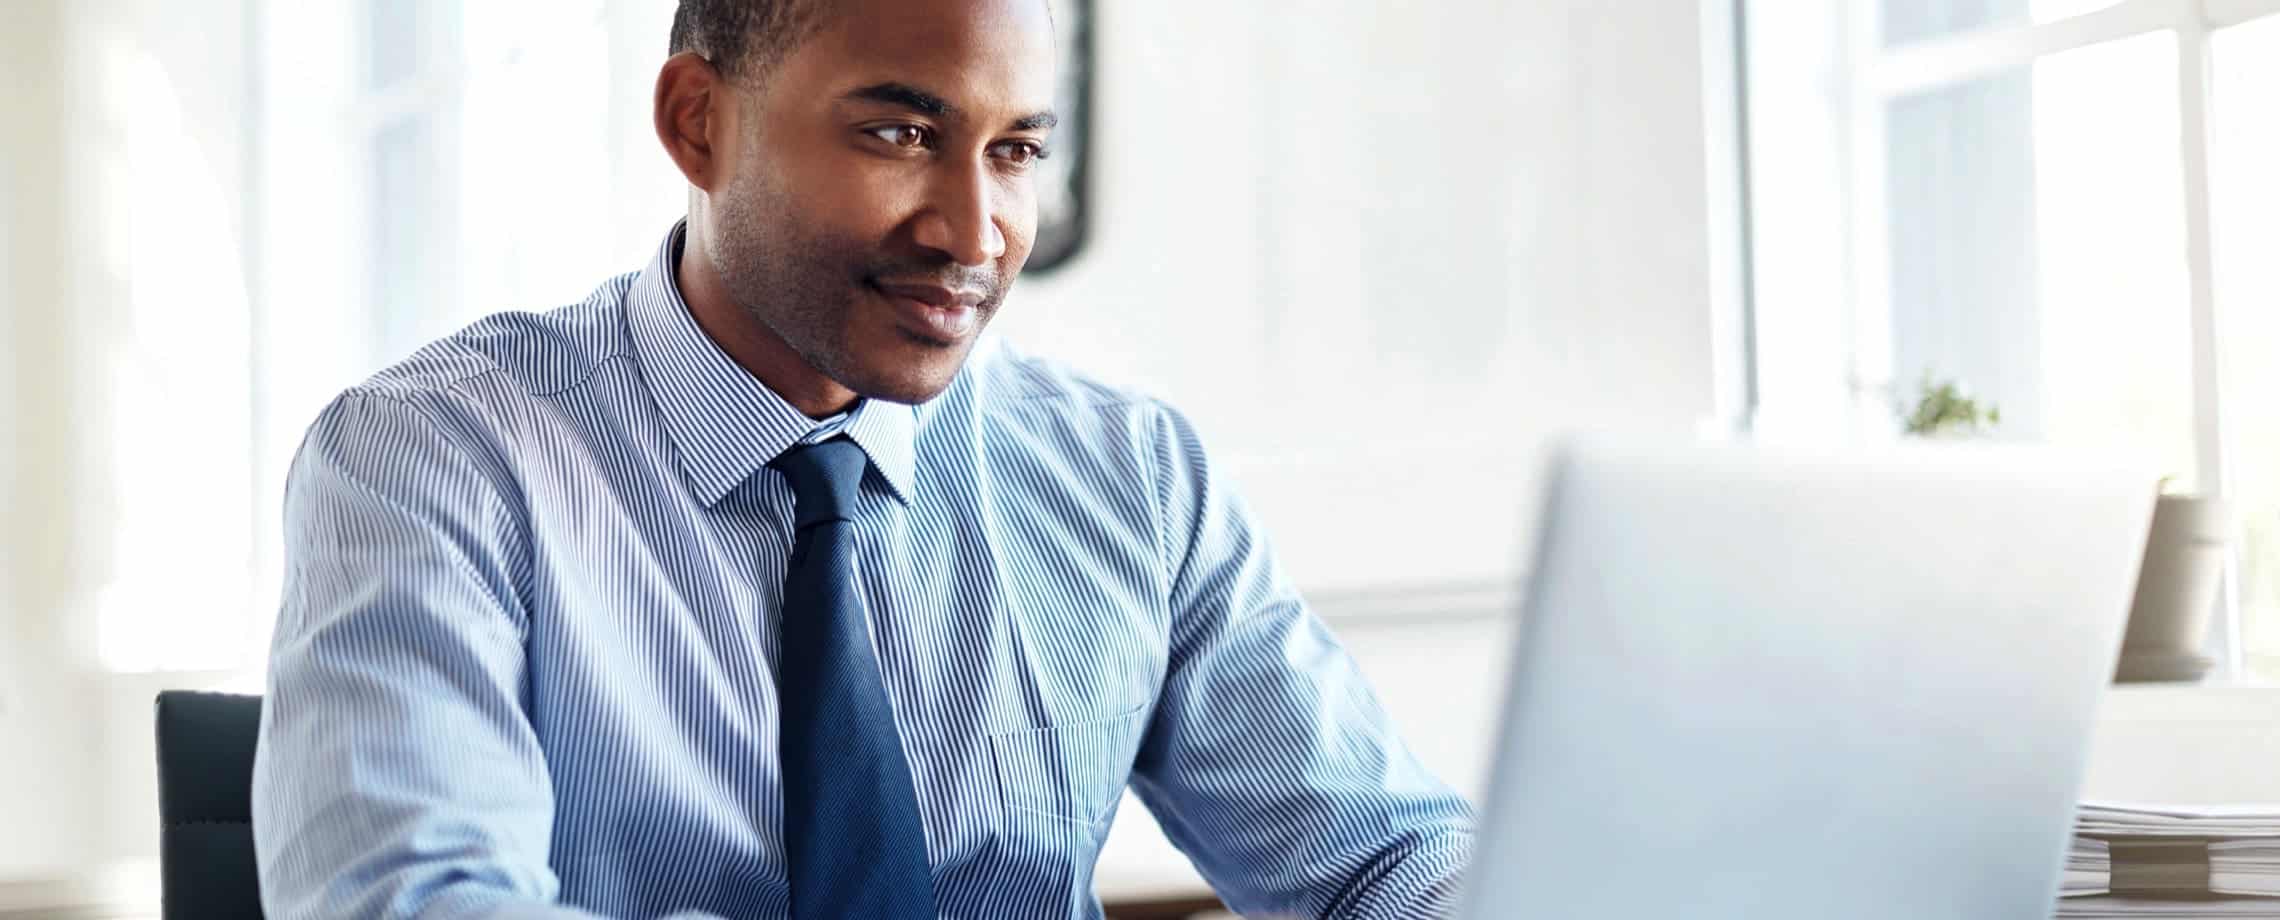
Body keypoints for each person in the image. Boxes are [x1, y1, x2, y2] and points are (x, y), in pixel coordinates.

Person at [250, 0, 1474, 917]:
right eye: (900, 131)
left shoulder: (1132, 478)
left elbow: (1385, 858)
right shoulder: (433, 461)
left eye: (1016, 152)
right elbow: (419, 903)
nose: (975, 232)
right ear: (698, 122)